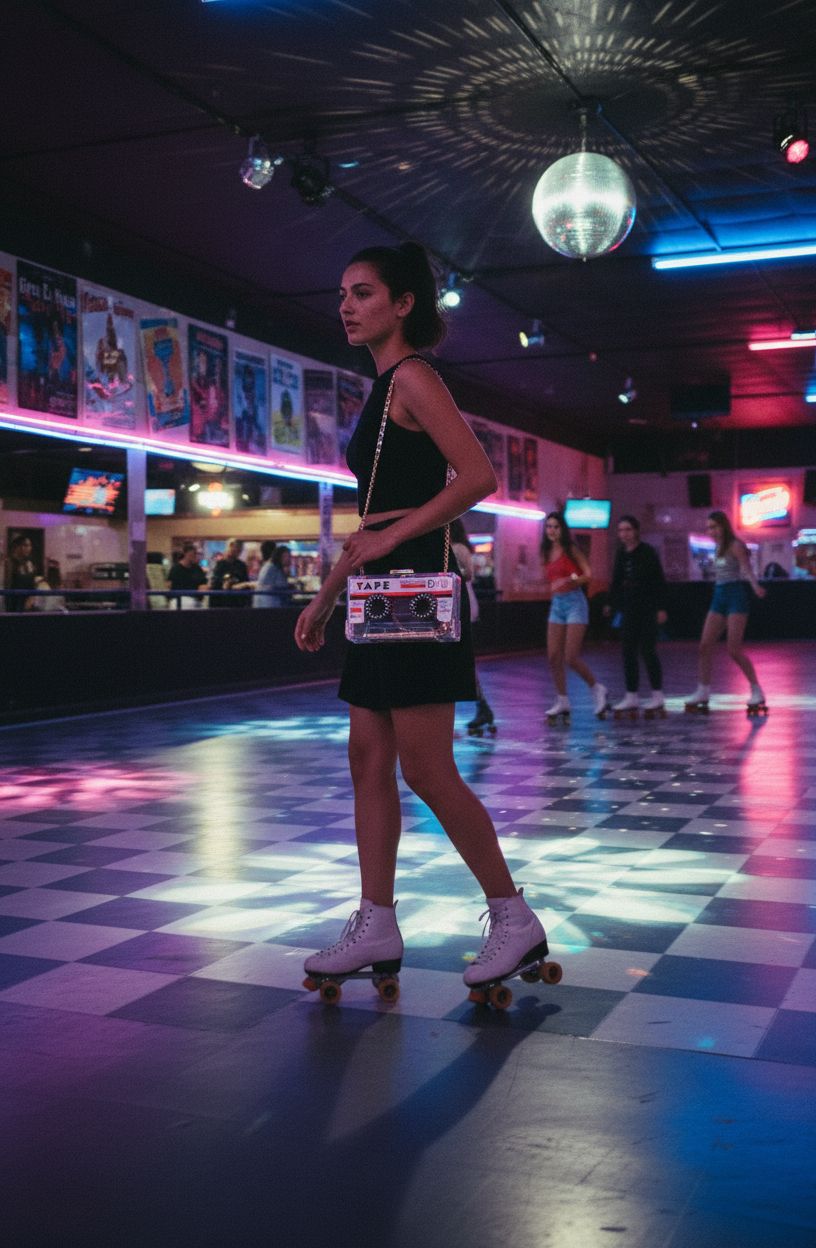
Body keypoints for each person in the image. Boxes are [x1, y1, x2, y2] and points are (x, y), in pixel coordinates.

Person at [294, 241, 548, 995]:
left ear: (403, 304)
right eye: (342, 292)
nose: (347, 305)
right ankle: (376, 921)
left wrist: (389, 542)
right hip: (377, 589)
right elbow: (375, 514)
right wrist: (328, 591)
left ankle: (512, 916)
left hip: (412, 587)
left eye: (364, 292)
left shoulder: (413, 376)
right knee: (368, 762)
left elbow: (477, 476)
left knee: (425, 766)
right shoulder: (380, 388)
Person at [685, 509, 766, 711]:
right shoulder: (717, 547)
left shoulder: (734, 545)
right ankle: (703, 689)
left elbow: (746, 568)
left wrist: (755, 586)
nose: (711, 531)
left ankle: (756, 689)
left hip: (735, 597)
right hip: (719, 596)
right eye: (708, 528)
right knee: (704, 645)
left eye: (714, 527)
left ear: (723, 526)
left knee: (733, 649)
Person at [541, 511, 608, 719]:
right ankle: (562, 700)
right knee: (553, 655)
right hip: (557, 604)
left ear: (563, 529)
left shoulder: (571, 549)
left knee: (570, 656)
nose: (551, 531)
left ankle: (597, 688)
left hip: (575, 602)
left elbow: (587, 574)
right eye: (549, 527)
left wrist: (569, 581)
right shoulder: (546, 551)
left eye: (556, 527)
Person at [607, 515, 668, 715]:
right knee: (627, 651)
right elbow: (616, 581)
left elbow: (658, 580)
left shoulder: (647, 552)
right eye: (621, 530)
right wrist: (612, 604)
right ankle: (631, 695)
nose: (624, 534)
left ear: (636, 531)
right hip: (628, 608)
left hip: (647, 607)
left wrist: (660, 608)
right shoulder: (620, 554)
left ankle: (657, 695)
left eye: (628, 530)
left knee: (648, 650)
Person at [450, 517, 495, 735]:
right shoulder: (454, 547)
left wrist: (450, 573)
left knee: (459, 659)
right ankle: (482, 706)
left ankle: (481, 706)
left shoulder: (458, 548)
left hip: (461, 604)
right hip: (457, 604)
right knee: (460, 659)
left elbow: (469, 574)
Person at [251, 541, 293, 608]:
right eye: (286, 556)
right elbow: (274, 585)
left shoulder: (273, 567)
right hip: (268, 604)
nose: (288, 559)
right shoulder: (271, 568)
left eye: (289, 556)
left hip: (266, 603)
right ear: (279, 556)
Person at [210, 539, 249, 607]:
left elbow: (245, 582)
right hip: (221, 602)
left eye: (239, 551)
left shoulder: (241, 566)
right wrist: (223, 584)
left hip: (237, 602)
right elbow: (214, 583)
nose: (237, 553)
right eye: (235, 549)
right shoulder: (219, 564)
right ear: (229, 547)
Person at [168, 543, 208, 609]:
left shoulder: (197, 569)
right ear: (185, 554)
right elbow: (169, 585)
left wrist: (204, 588)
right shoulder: (176, 569)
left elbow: (203, 584)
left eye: (195, 554)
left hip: (195, 600)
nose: (194, 557)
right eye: (192, 555)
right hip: (179, 599)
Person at [6, 534, 38, 612]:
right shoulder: (9, 563)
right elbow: (7, 585)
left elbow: (32, 584)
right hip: (14, 604)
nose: (28, 548)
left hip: (28, 604)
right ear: (17, 547)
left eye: (30, 546)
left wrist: (31, 598)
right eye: (25, 545)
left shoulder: (30, 564)